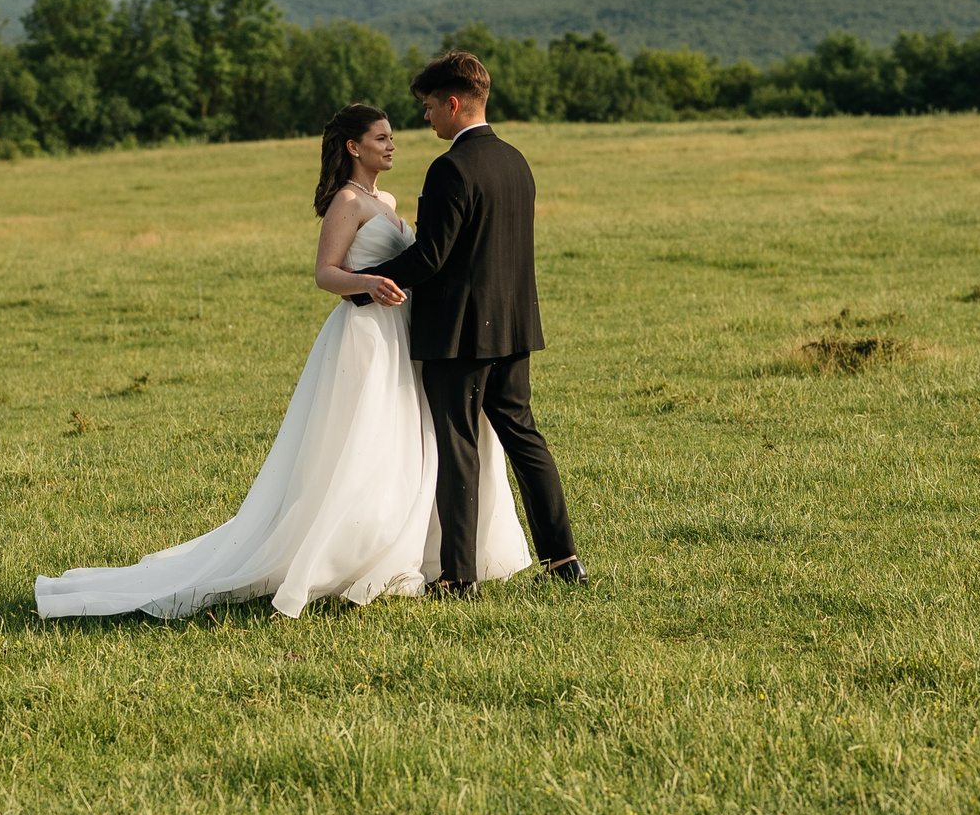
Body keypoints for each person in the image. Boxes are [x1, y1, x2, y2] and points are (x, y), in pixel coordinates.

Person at [31, 102, 532, 621]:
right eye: (380, 138)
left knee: (409, 441)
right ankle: (344, 549)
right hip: (365, 335)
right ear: (353, 147)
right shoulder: (346, 201)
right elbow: (325, 273)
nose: (391, 145)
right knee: (364, 444)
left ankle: (408, 544)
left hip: (401, 334)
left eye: (391, 137)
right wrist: (367, 284)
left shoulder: (387, 199)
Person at [350, 50, 586, 599]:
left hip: (459, 333)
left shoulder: (451, 168)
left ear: (454, 104)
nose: (426, 118)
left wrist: (361, 287)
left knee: (458, 447)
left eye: (430, 107)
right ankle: (564, 559)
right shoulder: (516, 160)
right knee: (525, 439)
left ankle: (459, 578)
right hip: (514, 326)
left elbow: (431, 256)